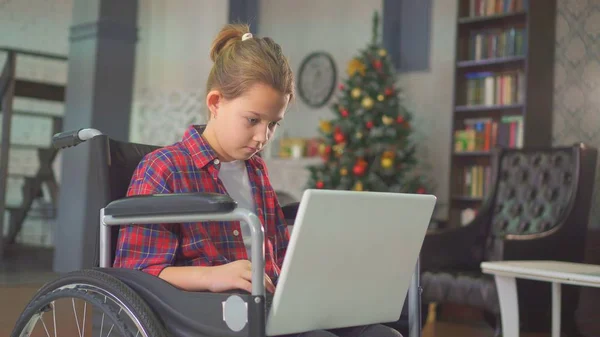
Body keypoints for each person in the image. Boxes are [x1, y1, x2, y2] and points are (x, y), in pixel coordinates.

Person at [113, 23, 402, 337]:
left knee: (383, 334)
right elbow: (133, 274)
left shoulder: (255, 170)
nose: (262, 137)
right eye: (252, 120)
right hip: (210, 313)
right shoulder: (164, 168)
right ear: (215, 103)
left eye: (273, 124)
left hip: (268, 304)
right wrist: (214, 276)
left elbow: (276, 252)